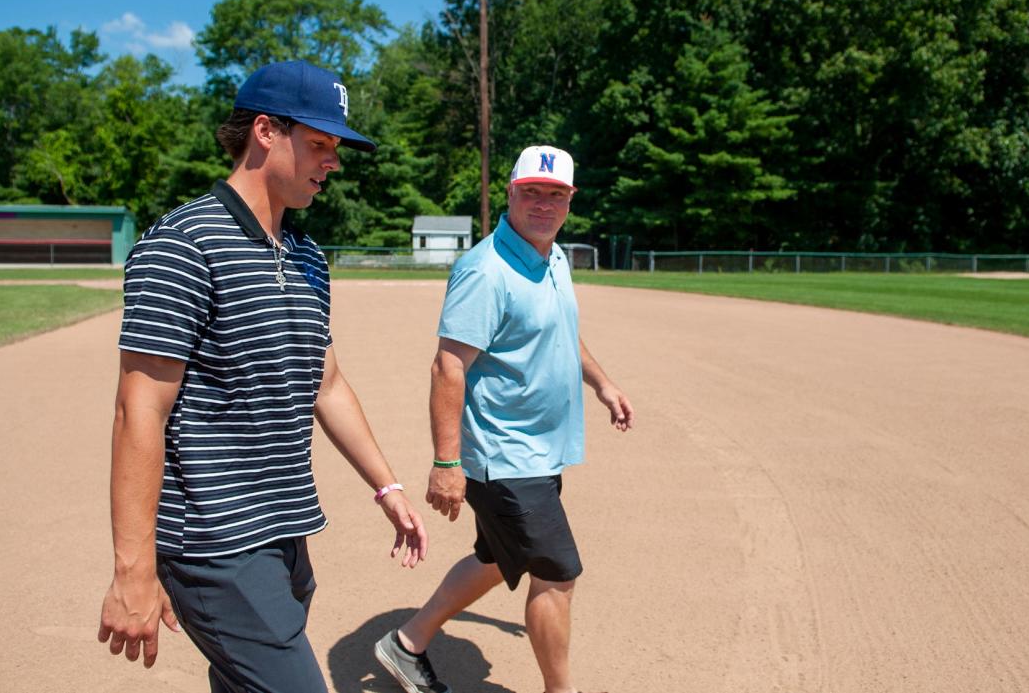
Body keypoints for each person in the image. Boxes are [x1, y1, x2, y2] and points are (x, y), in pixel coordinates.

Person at [97, 60, 428, 693]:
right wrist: (133, 569)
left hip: (283, 532)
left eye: (337, 148)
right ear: (265, 132)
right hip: (213, 544)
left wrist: (388, 487)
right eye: (320, 144)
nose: (333, 162)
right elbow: (139, 412)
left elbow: (325, 383)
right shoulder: (183, 242)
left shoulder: (305, 255)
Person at [374, 145, 634, 693]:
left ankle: (405, 644)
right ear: (511, 193)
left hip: (539, 448)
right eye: (532, 192)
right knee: (557, 574)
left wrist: (603, 383)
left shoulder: (554, 258)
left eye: (555, 194)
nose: (543, 203)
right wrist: (446, 462)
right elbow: (449, 365)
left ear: (570, 200)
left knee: (496, 558)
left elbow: (560, 333)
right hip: (504, 455)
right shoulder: (486, 270)